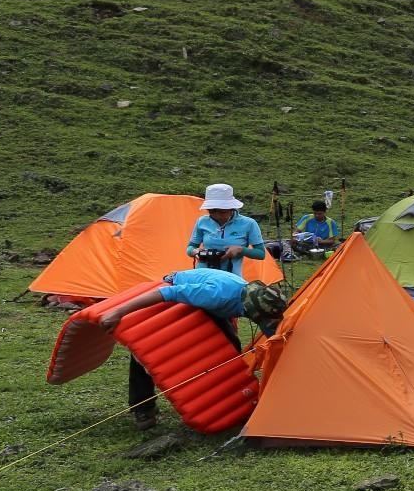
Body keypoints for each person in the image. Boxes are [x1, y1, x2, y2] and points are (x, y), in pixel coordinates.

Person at [95, 268, 289, 430]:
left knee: (231, 345)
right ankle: (143, 407)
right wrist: (117, 313)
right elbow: (166, 294)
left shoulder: (260, 300)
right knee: (144, 351)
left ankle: (237, 401)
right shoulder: (216, 295)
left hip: (209, 307)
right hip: (174, 293)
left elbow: (275, 336)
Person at [186, 183, 266, 275]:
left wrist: (241, 250)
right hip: (203, 275)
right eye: (212, 211)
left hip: (231, 278)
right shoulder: (202, 221)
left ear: (231, 208)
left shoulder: (249, 224)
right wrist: (194, 251)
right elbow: (190, 247)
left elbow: (260, 254)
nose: (217, 215)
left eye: (223, 211)